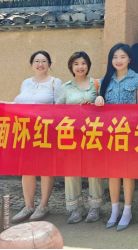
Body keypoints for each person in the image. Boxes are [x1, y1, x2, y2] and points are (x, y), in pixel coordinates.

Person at [95, 44, 138, 232]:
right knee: (113, 172)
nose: (118, 60)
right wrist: (97, 100)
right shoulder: (103, 81)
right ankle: (114, 210)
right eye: (115, 57)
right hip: (109, 135)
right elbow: (97, 109)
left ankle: (127, 211)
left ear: (129, 59)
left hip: (129, 133)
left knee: (127, 172)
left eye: (123, 57)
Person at [10, 51, 63, 224]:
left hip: (46, 131)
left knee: (45, 168)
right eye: (37, 61)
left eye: (44, 61)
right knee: (27, 168)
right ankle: (28, 206)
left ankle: (43, 205)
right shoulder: (26, 83)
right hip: (25, 131)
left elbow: (60, 108)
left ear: (49, 64)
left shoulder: (55, 82)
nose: (40, 64)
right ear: (31, 64)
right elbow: (18, 106)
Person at [56, 52, 104, 225]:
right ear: (71, 66)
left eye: (83, 63)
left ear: (88, 65)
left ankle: (95, 207)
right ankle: (76, 208)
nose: (80, 67)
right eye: (76, 63)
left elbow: (106, 108)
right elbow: (57, 112)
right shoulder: (65, 88)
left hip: (93, 135)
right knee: (71, 170)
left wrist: (95, 104)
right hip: (71, 135)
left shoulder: (97, 84)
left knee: (94, 169)